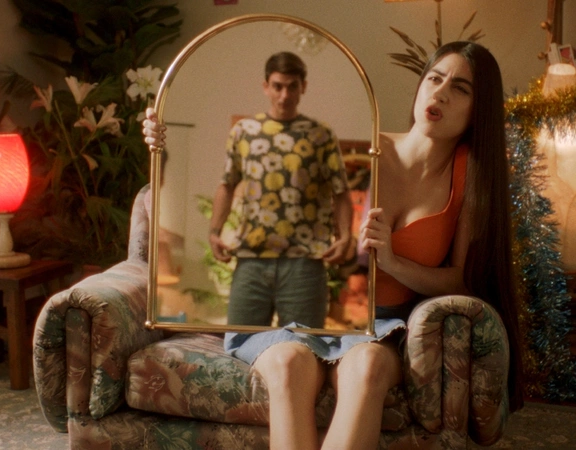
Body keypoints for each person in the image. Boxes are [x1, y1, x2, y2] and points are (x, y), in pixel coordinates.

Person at [144, 41, 524, 449]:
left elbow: (463, 280)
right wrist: (163, 145)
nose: (441, 93)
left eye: (460, 88)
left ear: (478, 110)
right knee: (289, 364)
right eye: (434, 78)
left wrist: (393, 263)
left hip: (379, 323)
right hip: (294, 309)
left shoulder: (470, 177)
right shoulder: (358, 149)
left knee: (369, 367)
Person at [145, 51, 353, 329]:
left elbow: (340, 191)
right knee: (240, 341)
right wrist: (215, 231)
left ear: (303, 87)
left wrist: (346, 235)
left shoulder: (320, 134)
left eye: (292, 86)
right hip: (252, 259)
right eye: (278, 86)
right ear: (266, 87)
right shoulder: (245, 131)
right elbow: (227, 184)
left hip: (304, 261)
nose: (284, 95)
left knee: (304, 345)